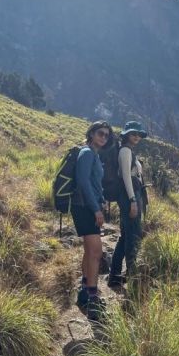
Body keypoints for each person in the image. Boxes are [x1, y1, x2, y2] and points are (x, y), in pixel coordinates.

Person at [72, 120, 112, 321]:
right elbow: (83, 182)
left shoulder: (93, 154)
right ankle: (93, 296)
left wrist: (101, 201)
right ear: (92, 133)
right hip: (85, 208)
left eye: (106, 135)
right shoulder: (87, 153)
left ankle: (84, 290)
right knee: (96, 252)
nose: (103, 137)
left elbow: (94, 183)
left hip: (88, 206)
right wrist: (96, 209)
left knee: (89, 251)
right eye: (100, 133)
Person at [107, 120, 148, 288]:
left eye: (138, 134)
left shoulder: (129, 151)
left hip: (132, 194)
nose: (136, 136)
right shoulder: (125, 151)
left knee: (126, 235)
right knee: (133, 234)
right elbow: (125, 176)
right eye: (133, 133)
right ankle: (132, 275)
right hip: (129, 195)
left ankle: (115, 275)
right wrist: (132, 200)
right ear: (126, 135)